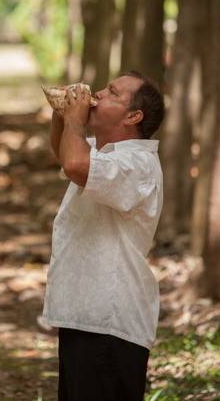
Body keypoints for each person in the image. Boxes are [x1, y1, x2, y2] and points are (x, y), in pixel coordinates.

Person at [38, 71, 166, 400]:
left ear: (133, 116)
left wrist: (76, 122)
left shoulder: (137, 163)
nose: (98, 93)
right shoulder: (108, 150)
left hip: (110, 322)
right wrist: (61, 114)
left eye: (112, 93)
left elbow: (76, 164)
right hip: (87, 316)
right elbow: (66, 151)